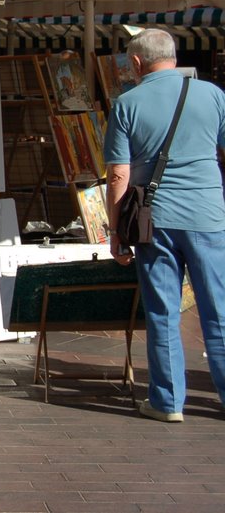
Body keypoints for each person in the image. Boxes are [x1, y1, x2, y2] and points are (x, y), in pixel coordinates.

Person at [104, 28, 225, 423]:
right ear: (174, 56)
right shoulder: (213, 95)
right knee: (218, 311)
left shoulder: (126, 104)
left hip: (153, 220)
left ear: (136, 63)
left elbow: (119, 175)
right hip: (208, 216)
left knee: (162, 312)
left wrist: (117, 231)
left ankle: (168, 401)